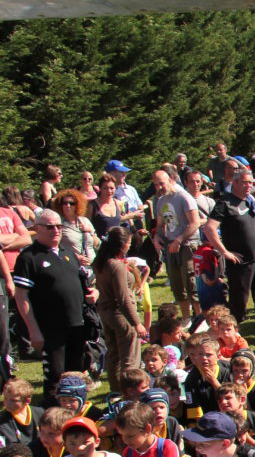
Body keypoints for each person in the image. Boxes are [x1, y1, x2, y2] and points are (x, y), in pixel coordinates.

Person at [13, 211, 92, 400]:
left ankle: (76, 414)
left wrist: (92, 293)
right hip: (51, 329)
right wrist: (33, 330)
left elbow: (82, 285)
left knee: (77, 376)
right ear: (37, 228)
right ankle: (53, 418)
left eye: (59, 226)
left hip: (77, 325)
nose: (56, 230)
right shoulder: (29, 257)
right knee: (56, 379)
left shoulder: (67, 252)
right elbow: (21, 296)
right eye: (50, 226)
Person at [204, 169, 255, 322]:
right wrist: (224, 252)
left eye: (250, 183)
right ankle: (235, 327)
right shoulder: (225, 203)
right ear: (235, 182)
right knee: (239, 297)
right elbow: (209, 228)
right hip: (239, 260)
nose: (248, 186)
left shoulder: (249, 199)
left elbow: (253, 219)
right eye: (245, 183)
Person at [92, 227, 145, 391]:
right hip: (120, 314)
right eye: (128, 243)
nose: (129, 246)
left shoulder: (101, 263)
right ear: (121, 245)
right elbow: (123, 298)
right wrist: (137, 323)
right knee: (130, 357)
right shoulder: (116, 266)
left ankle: (115, 390)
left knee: (113, 354)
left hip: (105, 312)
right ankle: (131, 390)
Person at [151, 169, 201, 320]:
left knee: (191, 283)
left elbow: (195, 223)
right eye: (156, 185)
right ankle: (186, 317)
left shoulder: (183, 197)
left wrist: (178, 240)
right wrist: (157, 237)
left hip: (187, 244)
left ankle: (199, 318)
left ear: (171, 180)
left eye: (162, 183)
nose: (160, 187)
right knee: (176, 285)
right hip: (170, 245)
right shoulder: (161, 201)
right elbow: (160, 225)